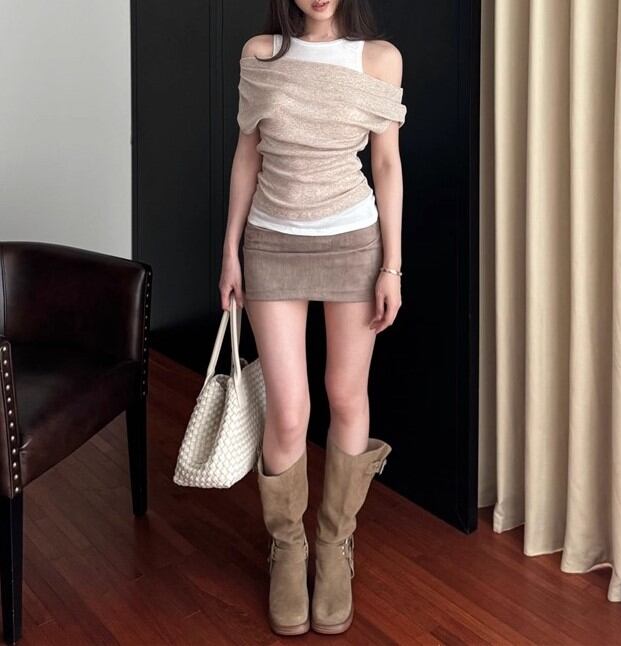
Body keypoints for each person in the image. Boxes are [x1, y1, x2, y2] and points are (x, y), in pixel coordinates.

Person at [218, 0, 406, 636]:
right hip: (271, 244)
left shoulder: (379, 60)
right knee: (289, 411)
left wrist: (392, 267)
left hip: (354, 244)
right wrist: (230, 252)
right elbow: (247, 154)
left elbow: (387, 164)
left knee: (346, 396)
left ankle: (334, 543)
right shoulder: (261, 53)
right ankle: (288, 547)